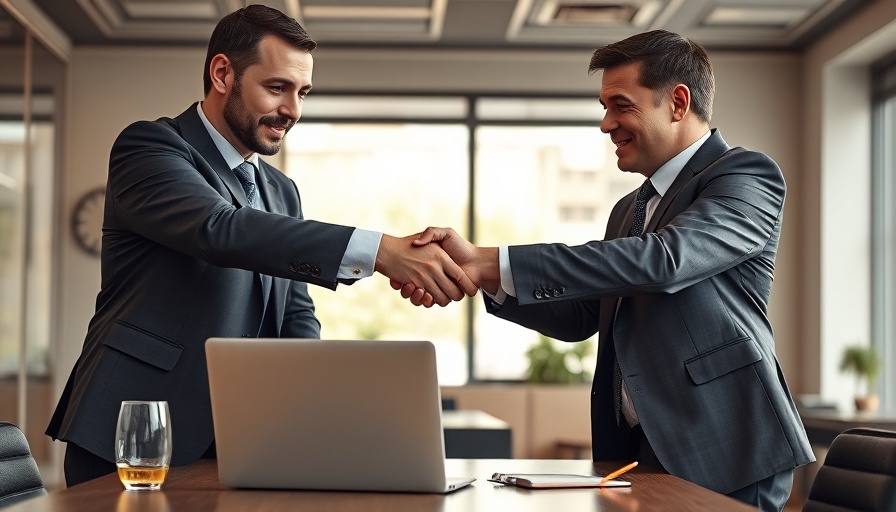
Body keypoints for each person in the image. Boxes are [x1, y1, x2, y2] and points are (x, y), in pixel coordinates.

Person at [47, 4, 476, 487]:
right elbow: (219, 229)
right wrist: (379, 251)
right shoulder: (149, 148)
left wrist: (309, 415)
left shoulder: (281, 191)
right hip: (138, 429)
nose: (293, 110)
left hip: (243, 441)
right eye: (277, 88)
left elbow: (295, 314)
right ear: (222, 73)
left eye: (302, 92)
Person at [398, 29, 814, 511]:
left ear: (677, 103)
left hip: (724, 443)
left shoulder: (744, 175)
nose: (605, 124)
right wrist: (483, 278)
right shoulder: (629, 209)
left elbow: (666, 261)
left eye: (621, 105)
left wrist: (493, 257)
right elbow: (582, 316)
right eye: (604, 106)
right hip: (639, 451)